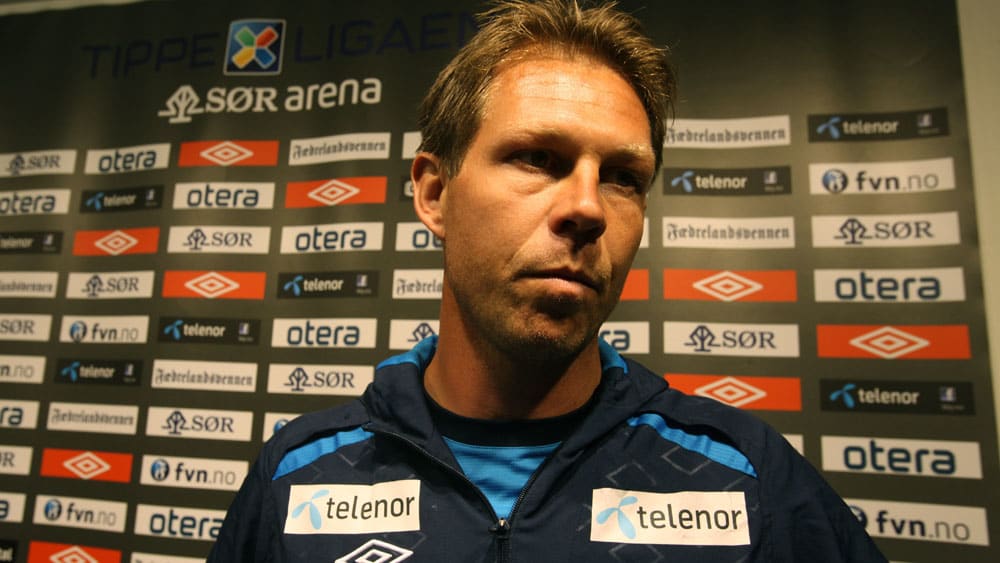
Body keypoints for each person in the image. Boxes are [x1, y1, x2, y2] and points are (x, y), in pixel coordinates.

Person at [209, 1, 887, 561]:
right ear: (435, 193)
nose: (588, 208)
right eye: (538, 157)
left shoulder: (745, 478)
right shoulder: (297, 475)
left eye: (622, 177)